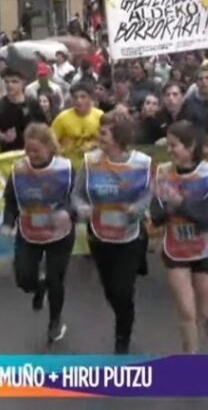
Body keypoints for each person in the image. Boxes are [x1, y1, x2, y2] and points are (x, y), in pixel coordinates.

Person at [72, 112, 152, 354]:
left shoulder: (142, 163)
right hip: (100, 236)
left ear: (119, 136)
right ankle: (123, 313)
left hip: (130, 236)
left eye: (104, 133)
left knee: (122, 288)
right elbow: (77, 194)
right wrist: (82, 208)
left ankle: (122, 336)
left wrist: (138, 208)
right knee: (110, 289)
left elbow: (151, 192)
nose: (99, 137)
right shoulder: (90, 162)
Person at [150, 121, 208, 354]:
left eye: (174, 145)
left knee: (205, 310)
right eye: (168, 145)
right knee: (185, 311)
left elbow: (205, 217)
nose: (169, 150)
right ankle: (190, 357)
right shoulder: (163, 172)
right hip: (176, 249)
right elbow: (156, 216)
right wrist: (171, 208)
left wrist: (177, 202)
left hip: (206, 248)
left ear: (191, 146)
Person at [2, 123, 76, 344]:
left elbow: (77, 198)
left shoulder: (65, 169)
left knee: (56, 279)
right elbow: (10, 199)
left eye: (36, 150)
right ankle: (37, 286)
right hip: (29, 230)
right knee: (23, 278)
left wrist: (67, 212)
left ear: (49, 147)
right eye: (28, 150)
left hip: (59, 233)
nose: (31, 155)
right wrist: (8, 222)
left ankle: (55, 322)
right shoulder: (18, 170)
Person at [0, 69, 48, 153]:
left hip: (31, 151)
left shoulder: (33, 104)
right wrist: (1, 136)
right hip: (7, 153)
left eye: (14, 82)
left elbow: (44, 127)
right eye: (6, 82)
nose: (9, 85)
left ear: (23, 83)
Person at [50, 82, 104, 155]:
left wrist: (94, 145)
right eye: (75, 97)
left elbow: (107, 140)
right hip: (68, 158)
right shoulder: (62, 118)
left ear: (90, 98)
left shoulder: (100, 116)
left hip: (94, 158)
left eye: (83, 97)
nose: (79, 100)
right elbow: (51, 141)